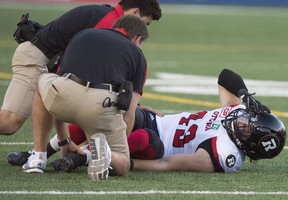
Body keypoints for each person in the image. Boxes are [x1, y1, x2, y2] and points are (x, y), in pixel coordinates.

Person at [9, 69, 286, 173]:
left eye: (250, 130)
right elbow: (226, 75)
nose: (244, 122)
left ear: (250, 147)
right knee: (107, 113)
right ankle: (41, 151)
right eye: (251, 120)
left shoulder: (227, 155)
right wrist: (244, 94)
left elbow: (167, 164)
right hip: (155, 120)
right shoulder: (237, 112)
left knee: (138, 139)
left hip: (158, 144)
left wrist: (126, 163)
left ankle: (83, 157)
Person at [0, 0, 161, 135]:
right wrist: (133, 106)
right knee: (9, 122)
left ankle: (40, 154)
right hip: (37, 59)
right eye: (145, 23)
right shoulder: (108, 23)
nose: (144, 30)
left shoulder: (106, 16)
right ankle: (42, 153)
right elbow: (101, 72)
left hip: (48, 62)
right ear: (135, 12)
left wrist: (134, 105)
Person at [21, 15, 149, 181]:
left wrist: (64, 140)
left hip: (66, 94)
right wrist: (119, 145)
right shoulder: (138, 55)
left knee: (43, 82)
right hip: (103, 104)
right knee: (123, 163)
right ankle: (107, 154)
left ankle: (38, 158)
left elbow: (58, 78)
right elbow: (130, 112)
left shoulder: (84, 34)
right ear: (138, 38)